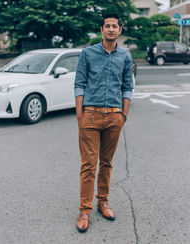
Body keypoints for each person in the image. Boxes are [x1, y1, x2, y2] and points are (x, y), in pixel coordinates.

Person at [74, 13, 134, 232]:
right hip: (90, 116)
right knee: (88, 165)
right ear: (101, 29)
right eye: (107, 26)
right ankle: (84, 210)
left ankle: (103, 202)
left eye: (114, 26)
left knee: (107, 163)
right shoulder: (88, 53)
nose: (110, 29)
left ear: (120, 30)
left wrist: (123, 115)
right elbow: (79, 84)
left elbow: (127, 87)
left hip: (114, 117)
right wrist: (80, 115)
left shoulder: (125, 56)